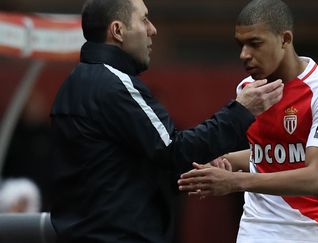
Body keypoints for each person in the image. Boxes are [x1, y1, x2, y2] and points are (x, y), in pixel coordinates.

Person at [49, 0, 284, 243]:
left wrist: (202, 162)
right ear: (118, 31)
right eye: (144, 19)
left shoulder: (74, 83)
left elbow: (124, 166)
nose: (153, 29)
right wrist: (241, 111)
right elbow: (173, 149)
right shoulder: (114, 84)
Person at [178, 0, 318, 243]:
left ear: (285, 39)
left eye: (255, 44)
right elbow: (265, 156)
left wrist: (235, 182)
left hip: (312, 229)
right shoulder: (248, 90)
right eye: (241, 45)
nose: (244, 55)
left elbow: (317, 179)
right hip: (255, 228)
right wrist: (222, 161)